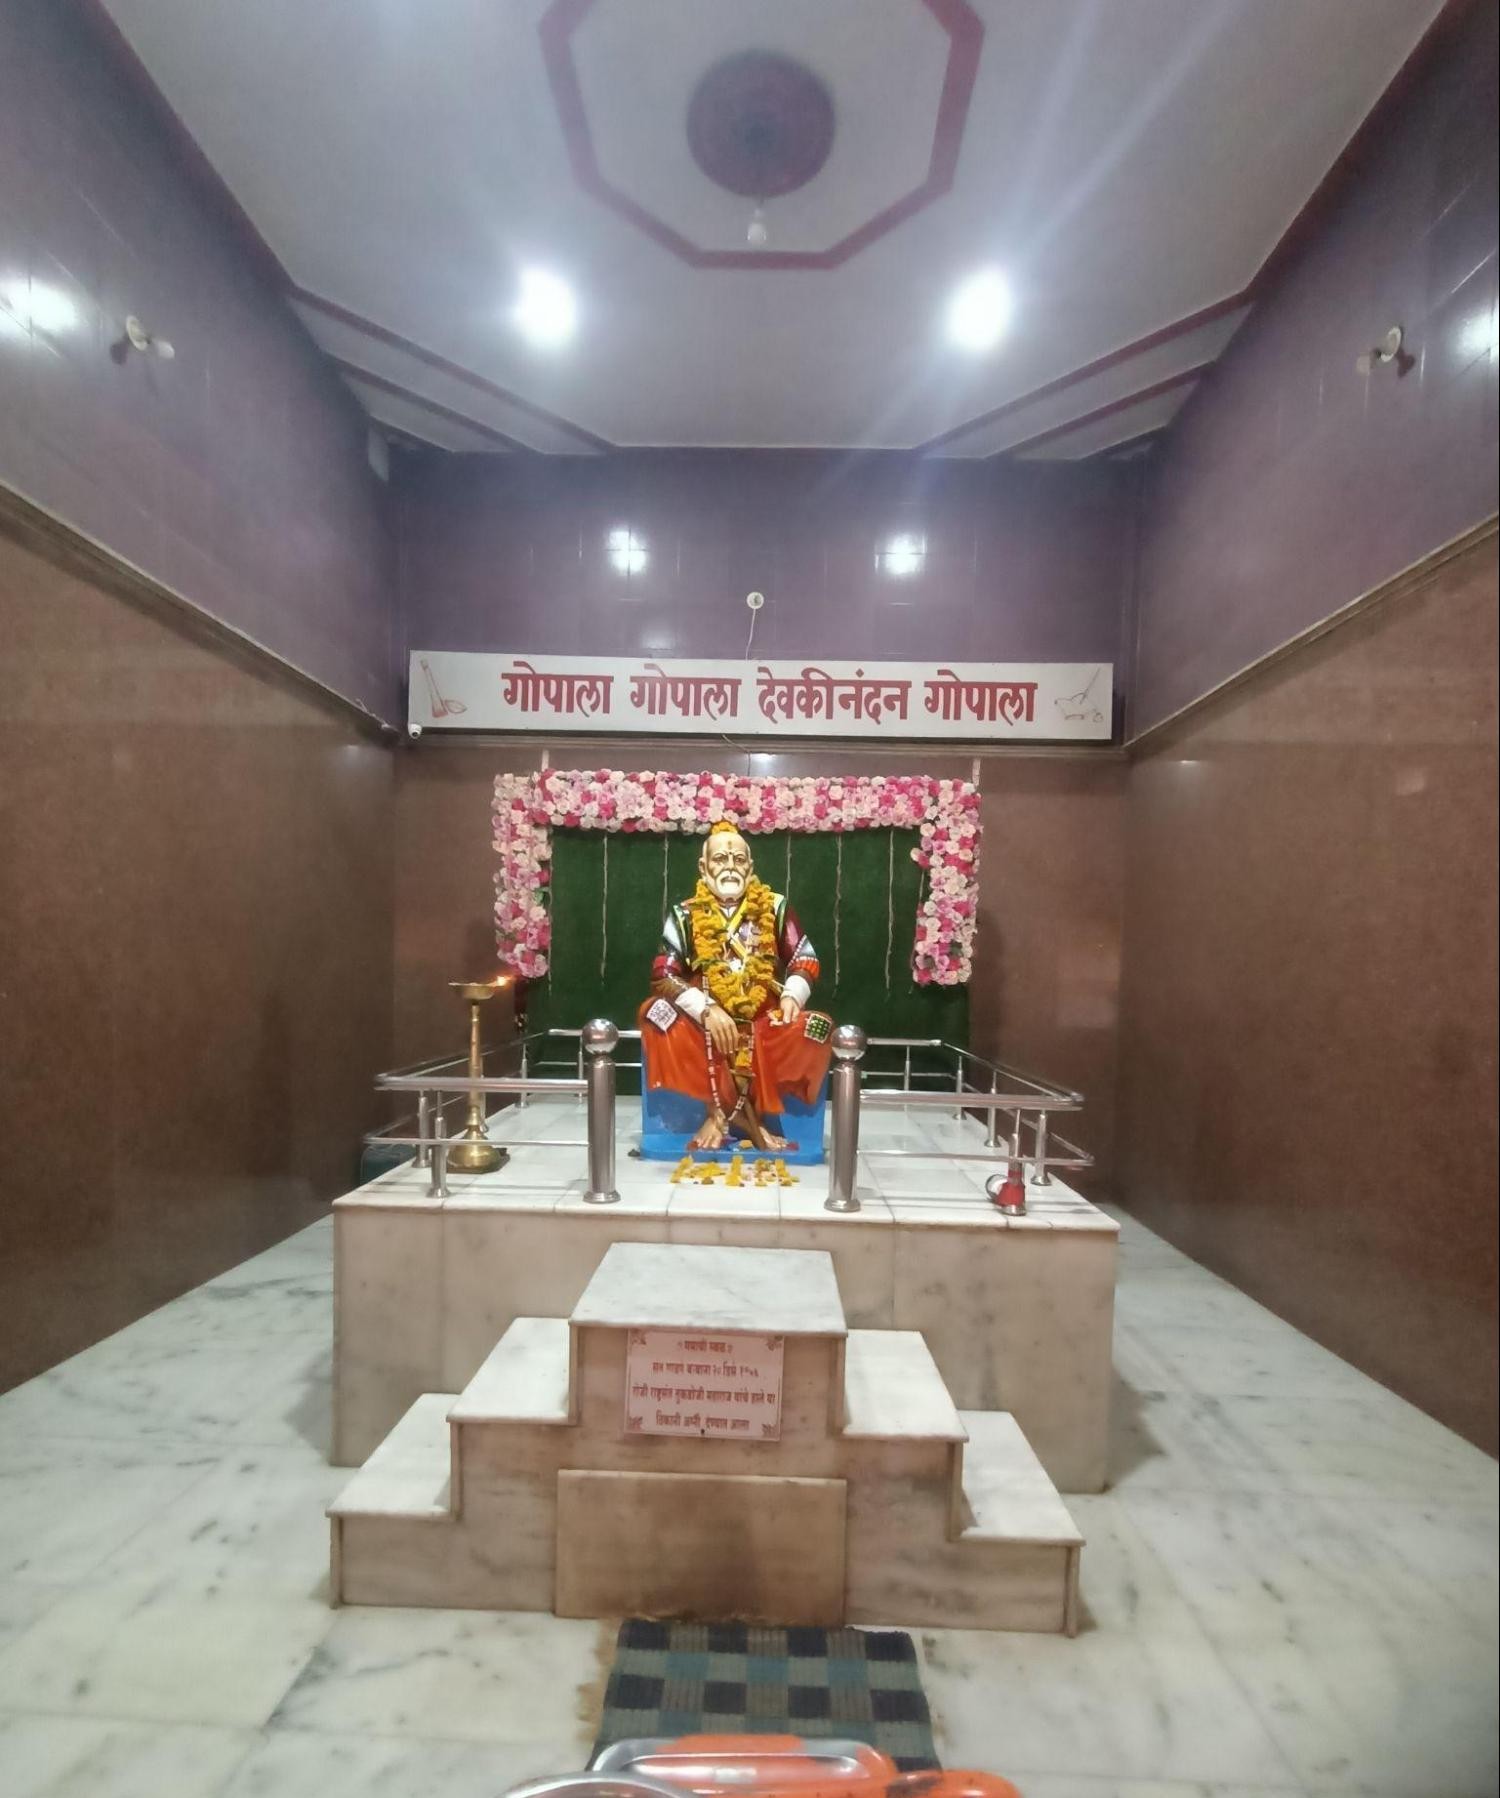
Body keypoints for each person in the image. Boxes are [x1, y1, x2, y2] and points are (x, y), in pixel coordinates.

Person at [640, 821, 833, 1151]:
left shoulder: (774, 906)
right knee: (654, 1013)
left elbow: (805, 957)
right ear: (704, 867)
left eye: (738, 859)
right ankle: (729, 1115)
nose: (730, 866)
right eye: (720, 859)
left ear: (750, 866)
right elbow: (663, 973)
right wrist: (706, 1010)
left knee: (818, 1027)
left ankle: (731, 1116)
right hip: (702, 1021)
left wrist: (792, 993)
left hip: (763, 1017)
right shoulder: (685, 913)